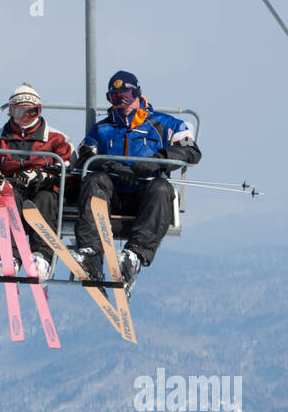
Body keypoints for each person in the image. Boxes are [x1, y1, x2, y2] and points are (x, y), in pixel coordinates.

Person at [72, 70, 201, 296]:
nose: (121, 103)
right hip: (112, 197)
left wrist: (156, 162)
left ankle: (134, 257)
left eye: (126, 96)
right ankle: (91, 252)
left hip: (145, 196)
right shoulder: (102, 129)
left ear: (138, 95)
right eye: (114, 98)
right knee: (94, 180)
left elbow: (190, 151)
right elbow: (84, 155)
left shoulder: (163, 124)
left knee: (163, 189)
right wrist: (111, 166)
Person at [0, 83, 74, 278]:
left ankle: (41, 256)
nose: (25, 118)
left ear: (39, 111)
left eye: (31, 112)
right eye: (19, 111)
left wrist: (45, 175)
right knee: (2, 203)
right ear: (11, 111)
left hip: (43, 189)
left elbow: (69, 167)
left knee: (45, 201)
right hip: (13, 187)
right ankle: (8, 256)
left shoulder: (56, 138)